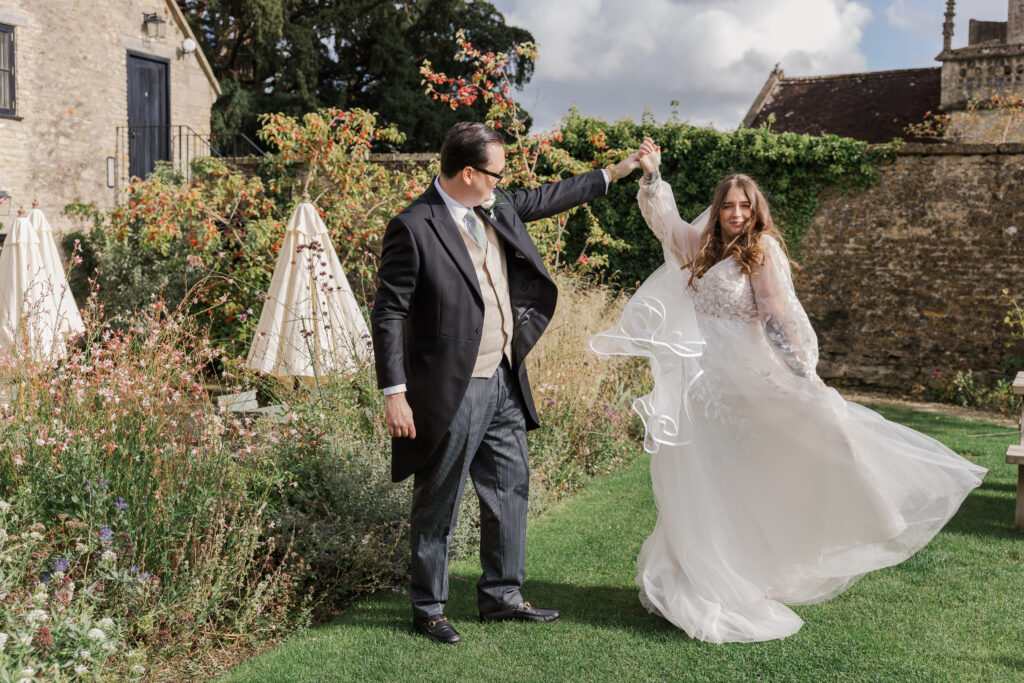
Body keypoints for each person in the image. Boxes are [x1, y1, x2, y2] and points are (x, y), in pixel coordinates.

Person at [590, 137, 986, 644]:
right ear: (718, 210)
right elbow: (668, 226)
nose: (735, 213)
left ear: (756, 211)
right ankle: (696, 574)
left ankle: (748, 572)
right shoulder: (704, 248)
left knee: (763, 469)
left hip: (749, 382)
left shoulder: (763, 251)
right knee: (703, 477)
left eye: (744, 206)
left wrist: (804, 375)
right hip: (702, 386)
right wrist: (652, 175)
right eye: (728, 206)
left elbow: (778, 321)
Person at [371, 122, 640, 644]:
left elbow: (550, 196)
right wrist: (394, 392)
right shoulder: (413, 226)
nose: (503, 183)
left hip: (503, 378)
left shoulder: (493, 205)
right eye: (495, 173)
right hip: (452, 388)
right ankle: (428, 609)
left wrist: (617, 171)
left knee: (509, 489)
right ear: (468, 172)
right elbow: (389, 313)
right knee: (439, 501)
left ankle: (502, 597)